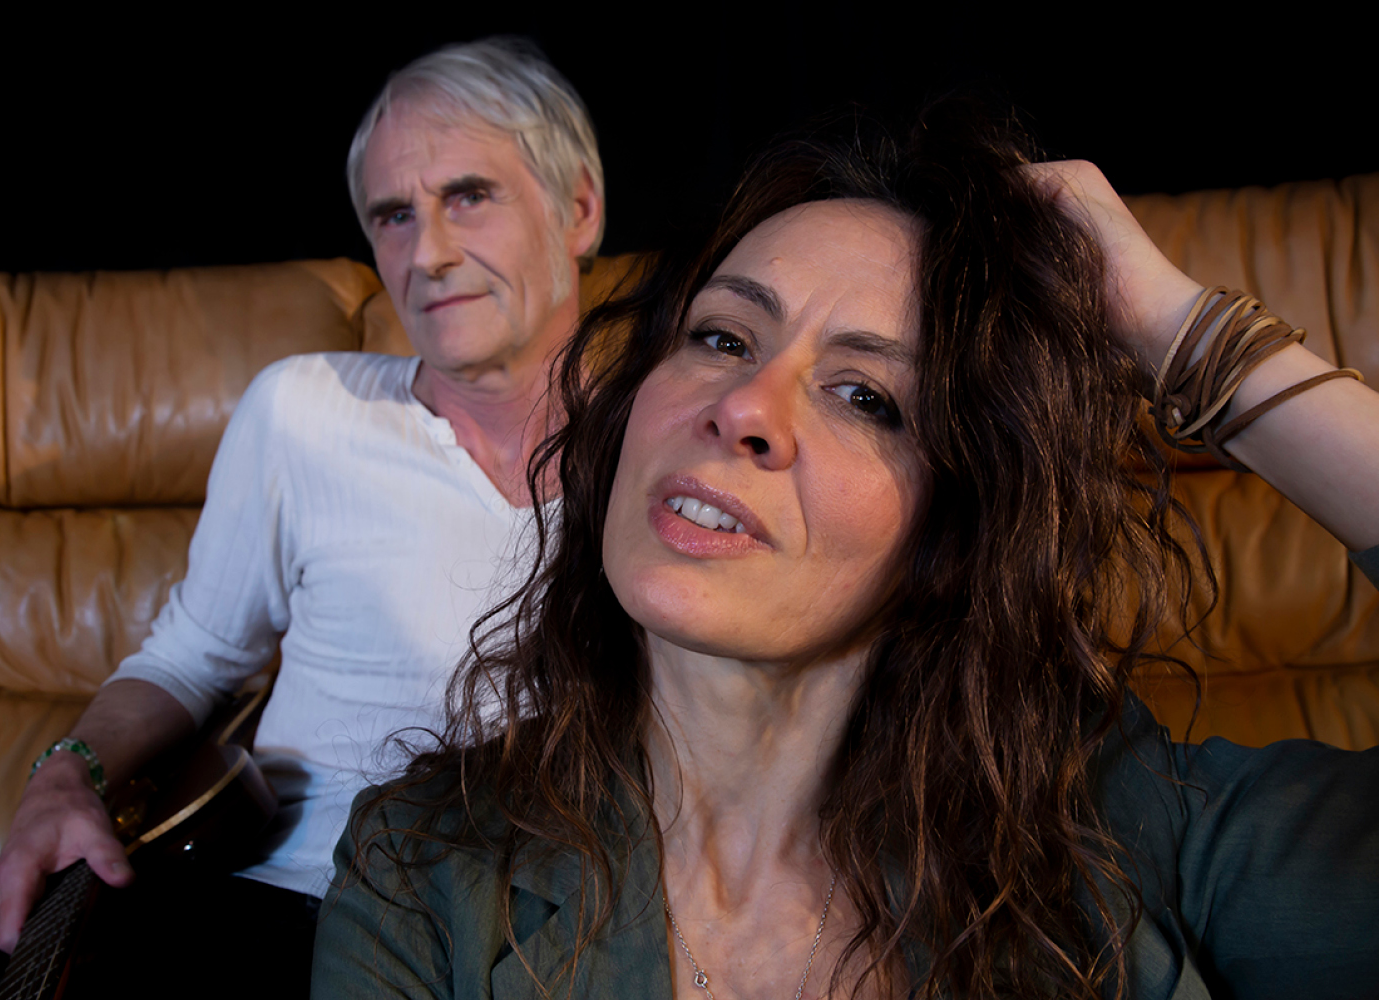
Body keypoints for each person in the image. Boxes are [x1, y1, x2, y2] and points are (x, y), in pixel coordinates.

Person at [311, 107, 1379, 1000]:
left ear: (954, 531)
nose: (744, 407)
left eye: (866, 397)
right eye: (722, 337)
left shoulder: (1121, 822)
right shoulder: (425, 867)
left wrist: (1182, 333)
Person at [0, 36, 604, 994]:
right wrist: (64, 774)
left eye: (469, 195)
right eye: (394, 215)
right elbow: (191, 655)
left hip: (525, 935)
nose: (428, 253)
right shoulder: (304, 411)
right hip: (276, 908)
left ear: (579, 209)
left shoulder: (665, 450)